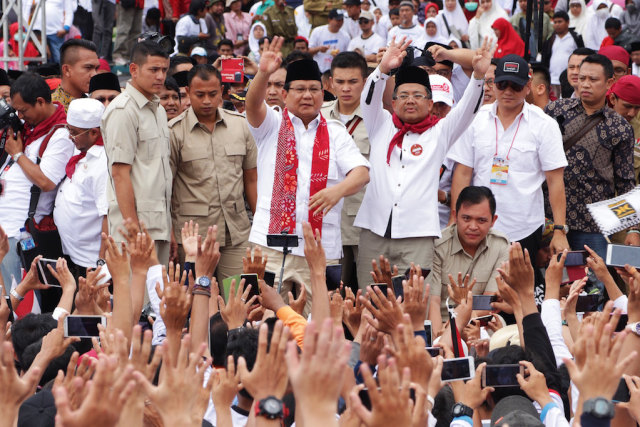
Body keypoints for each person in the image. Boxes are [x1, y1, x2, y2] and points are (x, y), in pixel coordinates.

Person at [354, 37, 491, 290]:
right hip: (374, 230)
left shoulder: (440, 132)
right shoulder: (380, 124)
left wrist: (479, 77)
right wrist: (382, 70)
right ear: (393, 103)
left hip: (417, 235)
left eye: (418, 95)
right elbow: (368, 99)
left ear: (430, 104)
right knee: (368, 302)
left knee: (415, 305)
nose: (410, 100)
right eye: (403, 95)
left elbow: (467, 110)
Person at [245, 37, 370, 313]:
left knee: (317, 323)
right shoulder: (272, 124)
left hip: (319, 249)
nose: (307, 95)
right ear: (285, 94)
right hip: (270, 244)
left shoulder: (336, 132)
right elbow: (252, 106)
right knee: (263, 318)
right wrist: (263, 73)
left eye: (314, 89)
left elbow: (361, 173)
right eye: (299, 89)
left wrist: (337, 191)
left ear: (323, 94)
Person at [449, 54, 570, 294]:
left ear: (527, 87)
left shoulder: (544, 124)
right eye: (502, 84)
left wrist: (559, 230)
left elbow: (555, 181)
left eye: (515, 85)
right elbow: (462, 173)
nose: (508, 91)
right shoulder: (475, 118)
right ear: (492, 84)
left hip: (523, 228)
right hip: (477, 227)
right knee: (473, 294)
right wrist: (456, 220)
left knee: (517, 297)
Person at [169, 65, 257, 281]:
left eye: (213, 94)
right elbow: (165, 188)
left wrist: (260, 228)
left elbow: (252, 180)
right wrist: (169, 233)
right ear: (188, 92)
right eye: (200, 95)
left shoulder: (241, 126)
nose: (207, 101)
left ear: (223, 92)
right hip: (192, 236)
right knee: (195, 298)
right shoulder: (174, 132)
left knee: (239, 298)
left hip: (236, 232)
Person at [544, 54, 638, 256]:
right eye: (582, 78)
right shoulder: (554, 112)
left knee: (590, 284)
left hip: (593, 225)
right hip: (548, 217)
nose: (585, 84)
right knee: (544, 281)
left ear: (609, 83)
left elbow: (625, 182)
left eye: (593, 80)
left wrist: (632, 228)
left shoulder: (620, 127)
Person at [101, 41, 173, 266]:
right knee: (136, 301)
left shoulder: (159, 110)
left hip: (159, 226)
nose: (160, 76)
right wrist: (133, 229)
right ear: (133, 69)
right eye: (153, 70)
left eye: (164, 70)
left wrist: (168, 229)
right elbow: (120, 174)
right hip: (134, 231)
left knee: (158, 299)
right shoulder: (123, 110)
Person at [0, 73, 74, 290]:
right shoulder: (30, 130)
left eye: (23, 110)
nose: (20, 116)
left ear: (41, 102)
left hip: (22, 235)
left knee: (19, 302)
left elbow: (46, 181)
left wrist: (17, 154)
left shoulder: (59, 135)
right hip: (7, 231)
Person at [427, 186, 509, 328]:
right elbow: (432, 302)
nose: (473, 226)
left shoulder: (501, 246)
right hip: (441, 322)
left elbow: (490, 302)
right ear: (455, 215)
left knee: (501, 329)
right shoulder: (437, 245)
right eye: (466, 218)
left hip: (478, 321)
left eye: (481, 220)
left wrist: (459, 325)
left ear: (493, 220)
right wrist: (440, 339)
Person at [321, 52, 370, 287]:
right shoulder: (317, 116)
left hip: (366, 222)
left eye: (353, 82)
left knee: (367, 294)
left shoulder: (378, 118)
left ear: (365, 82)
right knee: (330, 293)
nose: (346, 88)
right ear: (329, 83)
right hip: (327, 222)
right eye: (339, 82)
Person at [53, 98, 108, 277]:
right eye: (68, 129)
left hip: (91, 262)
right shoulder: (83, 150)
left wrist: (102, 263)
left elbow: (107, 216)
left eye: (74, 132)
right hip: (74, 255)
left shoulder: (102, 163)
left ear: (93, 133)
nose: (69, 136)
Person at [541, 11, 584, 97]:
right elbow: (545, 58)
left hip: (569, 80)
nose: (557, 24)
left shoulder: (575, 38)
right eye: (555, 22)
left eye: (560, 22)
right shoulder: (550, 39)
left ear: (567, 22)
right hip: (552, 80)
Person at [52, 39, 100, 113]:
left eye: (96, 68)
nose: (94, 74)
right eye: (88, 67)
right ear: (67, 70)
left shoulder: (97, 104)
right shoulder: (52, 110)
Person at [607, 75, 640, 181]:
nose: (632, 113)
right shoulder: (596, 124)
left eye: (637, 108)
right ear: (612, 99)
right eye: (627, 106)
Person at [22, 0, 74, 64]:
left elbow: (69, 11)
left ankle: (59, 74)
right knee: (37, 60)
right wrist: (26, 28)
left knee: (59, 59)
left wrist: (66, 28)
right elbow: (26, 10)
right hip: (37, 33)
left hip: (56, 32)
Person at [112, 0, 144, 66]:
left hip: (139, 3)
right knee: (123, 30)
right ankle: (118, 55)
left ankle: (130, 56)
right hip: (126, 3)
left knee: (136, 32)